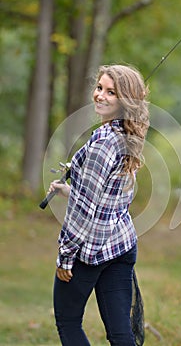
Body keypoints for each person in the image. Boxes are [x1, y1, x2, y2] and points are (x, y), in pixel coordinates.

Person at [48, 64, 150, 346]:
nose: (100, 96)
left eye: (111, 92)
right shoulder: (129, 137)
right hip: (121, 246)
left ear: (125, 100)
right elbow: (109, 196)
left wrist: (65, 256)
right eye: (99, 88)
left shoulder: (103, 143)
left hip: (89, 252)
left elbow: (85, 213)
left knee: (68, 322)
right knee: (121, 334)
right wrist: (70, 189)